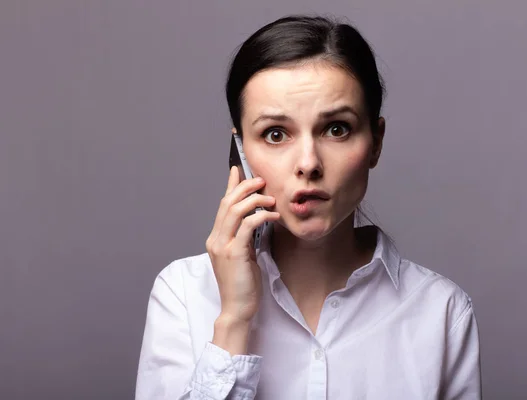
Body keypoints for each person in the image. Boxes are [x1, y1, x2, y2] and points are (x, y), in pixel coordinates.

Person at [135, 15, 482, 400]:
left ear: (376, 142)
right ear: (241, 154)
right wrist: (233, 321)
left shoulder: (442, 312)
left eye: (336, 128)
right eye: (275, 133)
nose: (308, 163)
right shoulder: (184, 295)